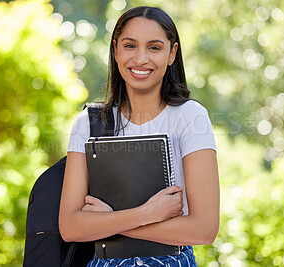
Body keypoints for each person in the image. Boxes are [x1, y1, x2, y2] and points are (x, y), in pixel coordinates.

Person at [59, 6, 219, 266]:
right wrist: (147, 214)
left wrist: (109, 222)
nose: (141, 59)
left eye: (154, 47)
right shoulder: (89, 123)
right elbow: (70, 226)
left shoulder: (190, 117)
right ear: (115, 50)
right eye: (130, 46)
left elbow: (204, 229)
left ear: (172, 54)